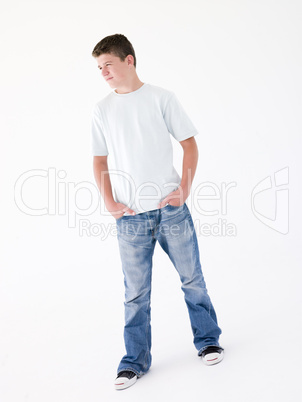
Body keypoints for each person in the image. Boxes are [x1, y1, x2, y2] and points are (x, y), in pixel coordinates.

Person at [91, 33, 224, 391]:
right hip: (130, 217)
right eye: (99, 67)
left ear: (129, 60)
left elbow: (189, 144)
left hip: (170, 211)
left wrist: (184, 188)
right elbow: (99, 160)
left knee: (191, 278)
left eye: (108, 64)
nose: (103, 72)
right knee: (135, 293)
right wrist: (110, 202)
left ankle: (208, 340)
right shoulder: (102, 109)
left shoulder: (161, 98)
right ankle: (134, 361)